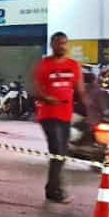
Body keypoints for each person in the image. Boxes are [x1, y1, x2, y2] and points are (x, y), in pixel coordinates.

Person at [33, 31, 86, 204]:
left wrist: (91, 108)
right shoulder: (44, 65)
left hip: (65, 115)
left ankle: (51, 188)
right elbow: (36, 89)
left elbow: (80, 90)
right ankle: (56, 190)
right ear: (51, 45)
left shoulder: (73, 66)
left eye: (64, 43)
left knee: (61, 153)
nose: (61, 46)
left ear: (67, 45)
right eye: (57, 43)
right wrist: (46, 98)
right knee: (56, 150)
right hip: (48, 115)